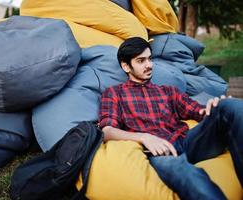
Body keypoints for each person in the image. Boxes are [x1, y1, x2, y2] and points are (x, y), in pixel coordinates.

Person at [98, 37, 243, 199]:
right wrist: (143, 137)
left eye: (149, 59)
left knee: (232, 106)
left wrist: (215, 107)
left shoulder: (167, 91)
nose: (149, 65)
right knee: (189, 175)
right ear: (126, 66)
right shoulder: (114, 93)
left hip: (186, 142)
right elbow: (107, 131)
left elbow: (198, 111)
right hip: (158, 153)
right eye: (141, 61)